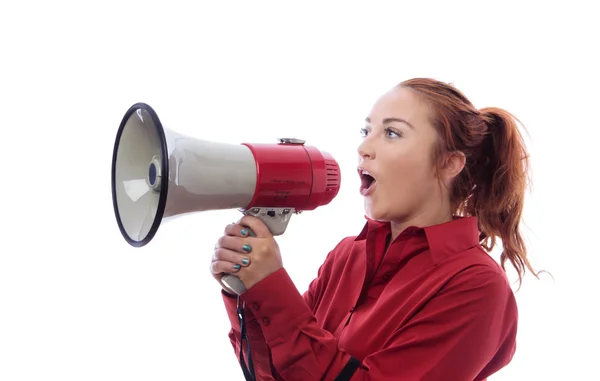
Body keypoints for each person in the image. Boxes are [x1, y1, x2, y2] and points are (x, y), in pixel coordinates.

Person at [210, 77, 540, 380]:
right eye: (366, 131)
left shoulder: (475, 285)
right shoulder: (346, 255)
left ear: (449, 163)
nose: (364, 148)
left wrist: (271, 287)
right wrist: (247, 291)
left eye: (392, 132)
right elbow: (278, 374)